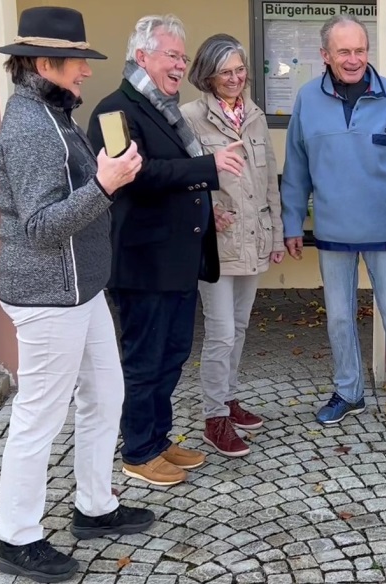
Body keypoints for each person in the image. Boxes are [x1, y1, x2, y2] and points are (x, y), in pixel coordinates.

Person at [0, 7, 154, 582]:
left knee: (105, 395)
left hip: (81, 291)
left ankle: (94, 506)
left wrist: (108, 179)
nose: (85, 73)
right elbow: (38, 227)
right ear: (43, 64)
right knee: (39, 415)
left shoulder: (52, 116)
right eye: (77, 63)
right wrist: (106, 186)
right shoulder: (33, 129)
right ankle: (17, 536)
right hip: (49, 297)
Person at [87, 14, 245, 486]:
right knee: (145, 362)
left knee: (172, 355)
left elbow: (172, 179)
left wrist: (203, 212)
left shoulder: (164, 108)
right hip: (143, 264)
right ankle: (137, 451)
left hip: (175, 261)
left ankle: (158, 439)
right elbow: (134, 177)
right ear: (142, 57)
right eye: (172, 55)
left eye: (183, 56)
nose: (181, 64)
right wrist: (208, 166)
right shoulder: (115, 111)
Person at [281, 14, 386, 436]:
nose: (353, 59)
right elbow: (296, 170)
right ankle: (348, 391)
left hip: (384, 229)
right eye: (344, 51)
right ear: (325, 55)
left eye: (360, 50)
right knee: (339, 318)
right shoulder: (307, 99)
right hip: (331, 229)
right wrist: (293, 223)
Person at [181, 34, 284, 457]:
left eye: (240, 70)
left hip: (255, 238)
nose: (236, 78)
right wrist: (205, 210)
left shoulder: (256, 116)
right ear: (207, 74)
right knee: (221, 332)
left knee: (239, 328)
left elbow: (269, 182)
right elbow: (181, 179)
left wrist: (276, 235)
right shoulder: (189, 117)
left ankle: (228, 397)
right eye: (226, 71)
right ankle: (213, 416)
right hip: (217, 241)